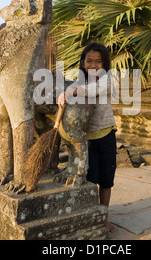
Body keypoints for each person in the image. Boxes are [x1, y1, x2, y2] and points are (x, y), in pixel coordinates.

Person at [57, 42, 117, 234]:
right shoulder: (79, 82)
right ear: (83, 63)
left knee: (106, 181)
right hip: (87, 140)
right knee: (90, 179)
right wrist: (62, 96)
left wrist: (70, 92)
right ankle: (91, 215)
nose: (93, 65)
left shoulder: (106, 80)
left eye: (98, 61)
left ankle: (104, 216)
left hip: (106, 135)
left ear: (104, 64)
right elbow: (71, 91)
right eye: (89, 61)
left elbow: (90, 91)